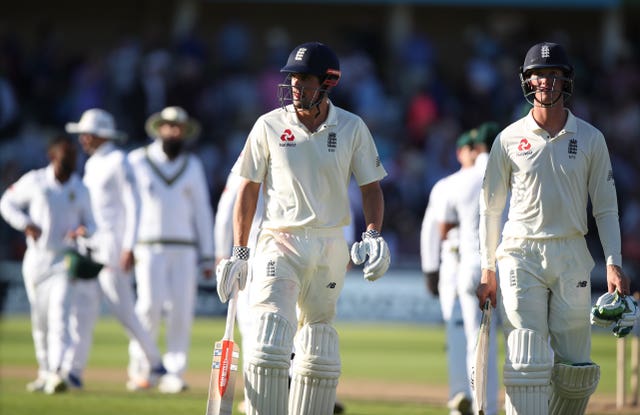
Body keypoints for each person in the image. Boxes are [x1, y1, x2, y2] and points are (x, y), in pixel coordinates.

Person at [215, 41, 389, 415]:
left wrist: (373, 234)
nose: (295, 86)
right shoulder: (268, 125)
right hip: (280, 240)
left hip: (330, 245)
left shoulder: (351, 127)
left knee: (319, 346)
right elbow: (247, 188)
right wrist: (240, 251)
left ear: (328, 82)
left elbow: (371, 187)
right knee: (267, 342)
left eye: (304, 79)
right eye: (292, 78)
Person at [477, 42, 634, 415]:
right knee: (525, 353)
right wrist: (487, 268)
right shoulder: (508, 138)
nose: (544, 83)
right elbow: (490, 207)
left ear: (566, 81)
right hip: (520, 253)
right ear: (527, 81)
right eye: (537, 76)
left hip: (571, 253)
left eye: (552, 75)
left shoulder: (591, 139)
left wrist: (613, 262)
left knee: (576, 370)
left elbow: (607, 207)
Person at [63, 108, 167, 390]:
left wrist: (128, 246)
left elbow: (134, 206)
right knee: (83, 310)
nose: (82, 139)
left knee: (124, 312)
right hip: (91, 245)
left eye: (86, 134)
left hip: (112, 246)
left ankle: (156, 363)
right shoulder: (93, 163)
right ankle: (72, 372)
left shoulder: (119, 161)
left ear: (99, 135)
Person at [127, 105, 215, 393]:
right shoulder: (137, 161)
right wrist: (125, 244)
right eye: (169, 126)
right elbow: (125, 207)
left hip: (184, 247)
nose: (174, 132)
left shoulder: (192, 165)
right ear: (158, 128)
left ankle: (174, 371)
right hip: (147, 245)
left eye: (179, 128)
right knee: (148, 307)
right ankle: (143, 368)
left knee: (181, 309)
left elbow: (202, 211)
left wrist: (208, 253)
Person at [0, 134, 96, 394]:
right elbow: (6, 203)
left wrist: (83, 232)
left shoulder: (80, 187)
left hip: (65, 259)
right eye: (66, 158)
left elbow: (92, 223)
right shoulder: (35, 181)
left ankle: (56, 371)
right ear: (53, 157)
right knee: (39, 321)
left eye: (73, 158)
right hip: (37, 259)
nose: (71, 163)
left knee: (59, 315)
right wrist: (25, 224)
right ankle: (44, 372)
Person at [436, 124, 501, 415]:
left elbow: (444, 227)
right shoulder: (512, 175)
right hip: (504, 267)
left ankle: (479, 407)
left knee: (476, 342)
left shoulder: (459, 181)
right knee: (520, 340)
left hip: (470, 266)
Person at [420, 131, 476, 415]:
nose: (476, 153)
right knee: (457, 334)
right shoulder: (446, 185)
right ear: (460, 153)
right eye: (471, 148)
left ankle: (480, 396)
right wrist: (431, 269)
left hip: (487, 265)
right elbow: (430, 229)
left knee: (481, 336)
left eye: (480, 148)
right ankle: (460, 395)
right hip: (453, 267)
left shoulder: (495, 182)